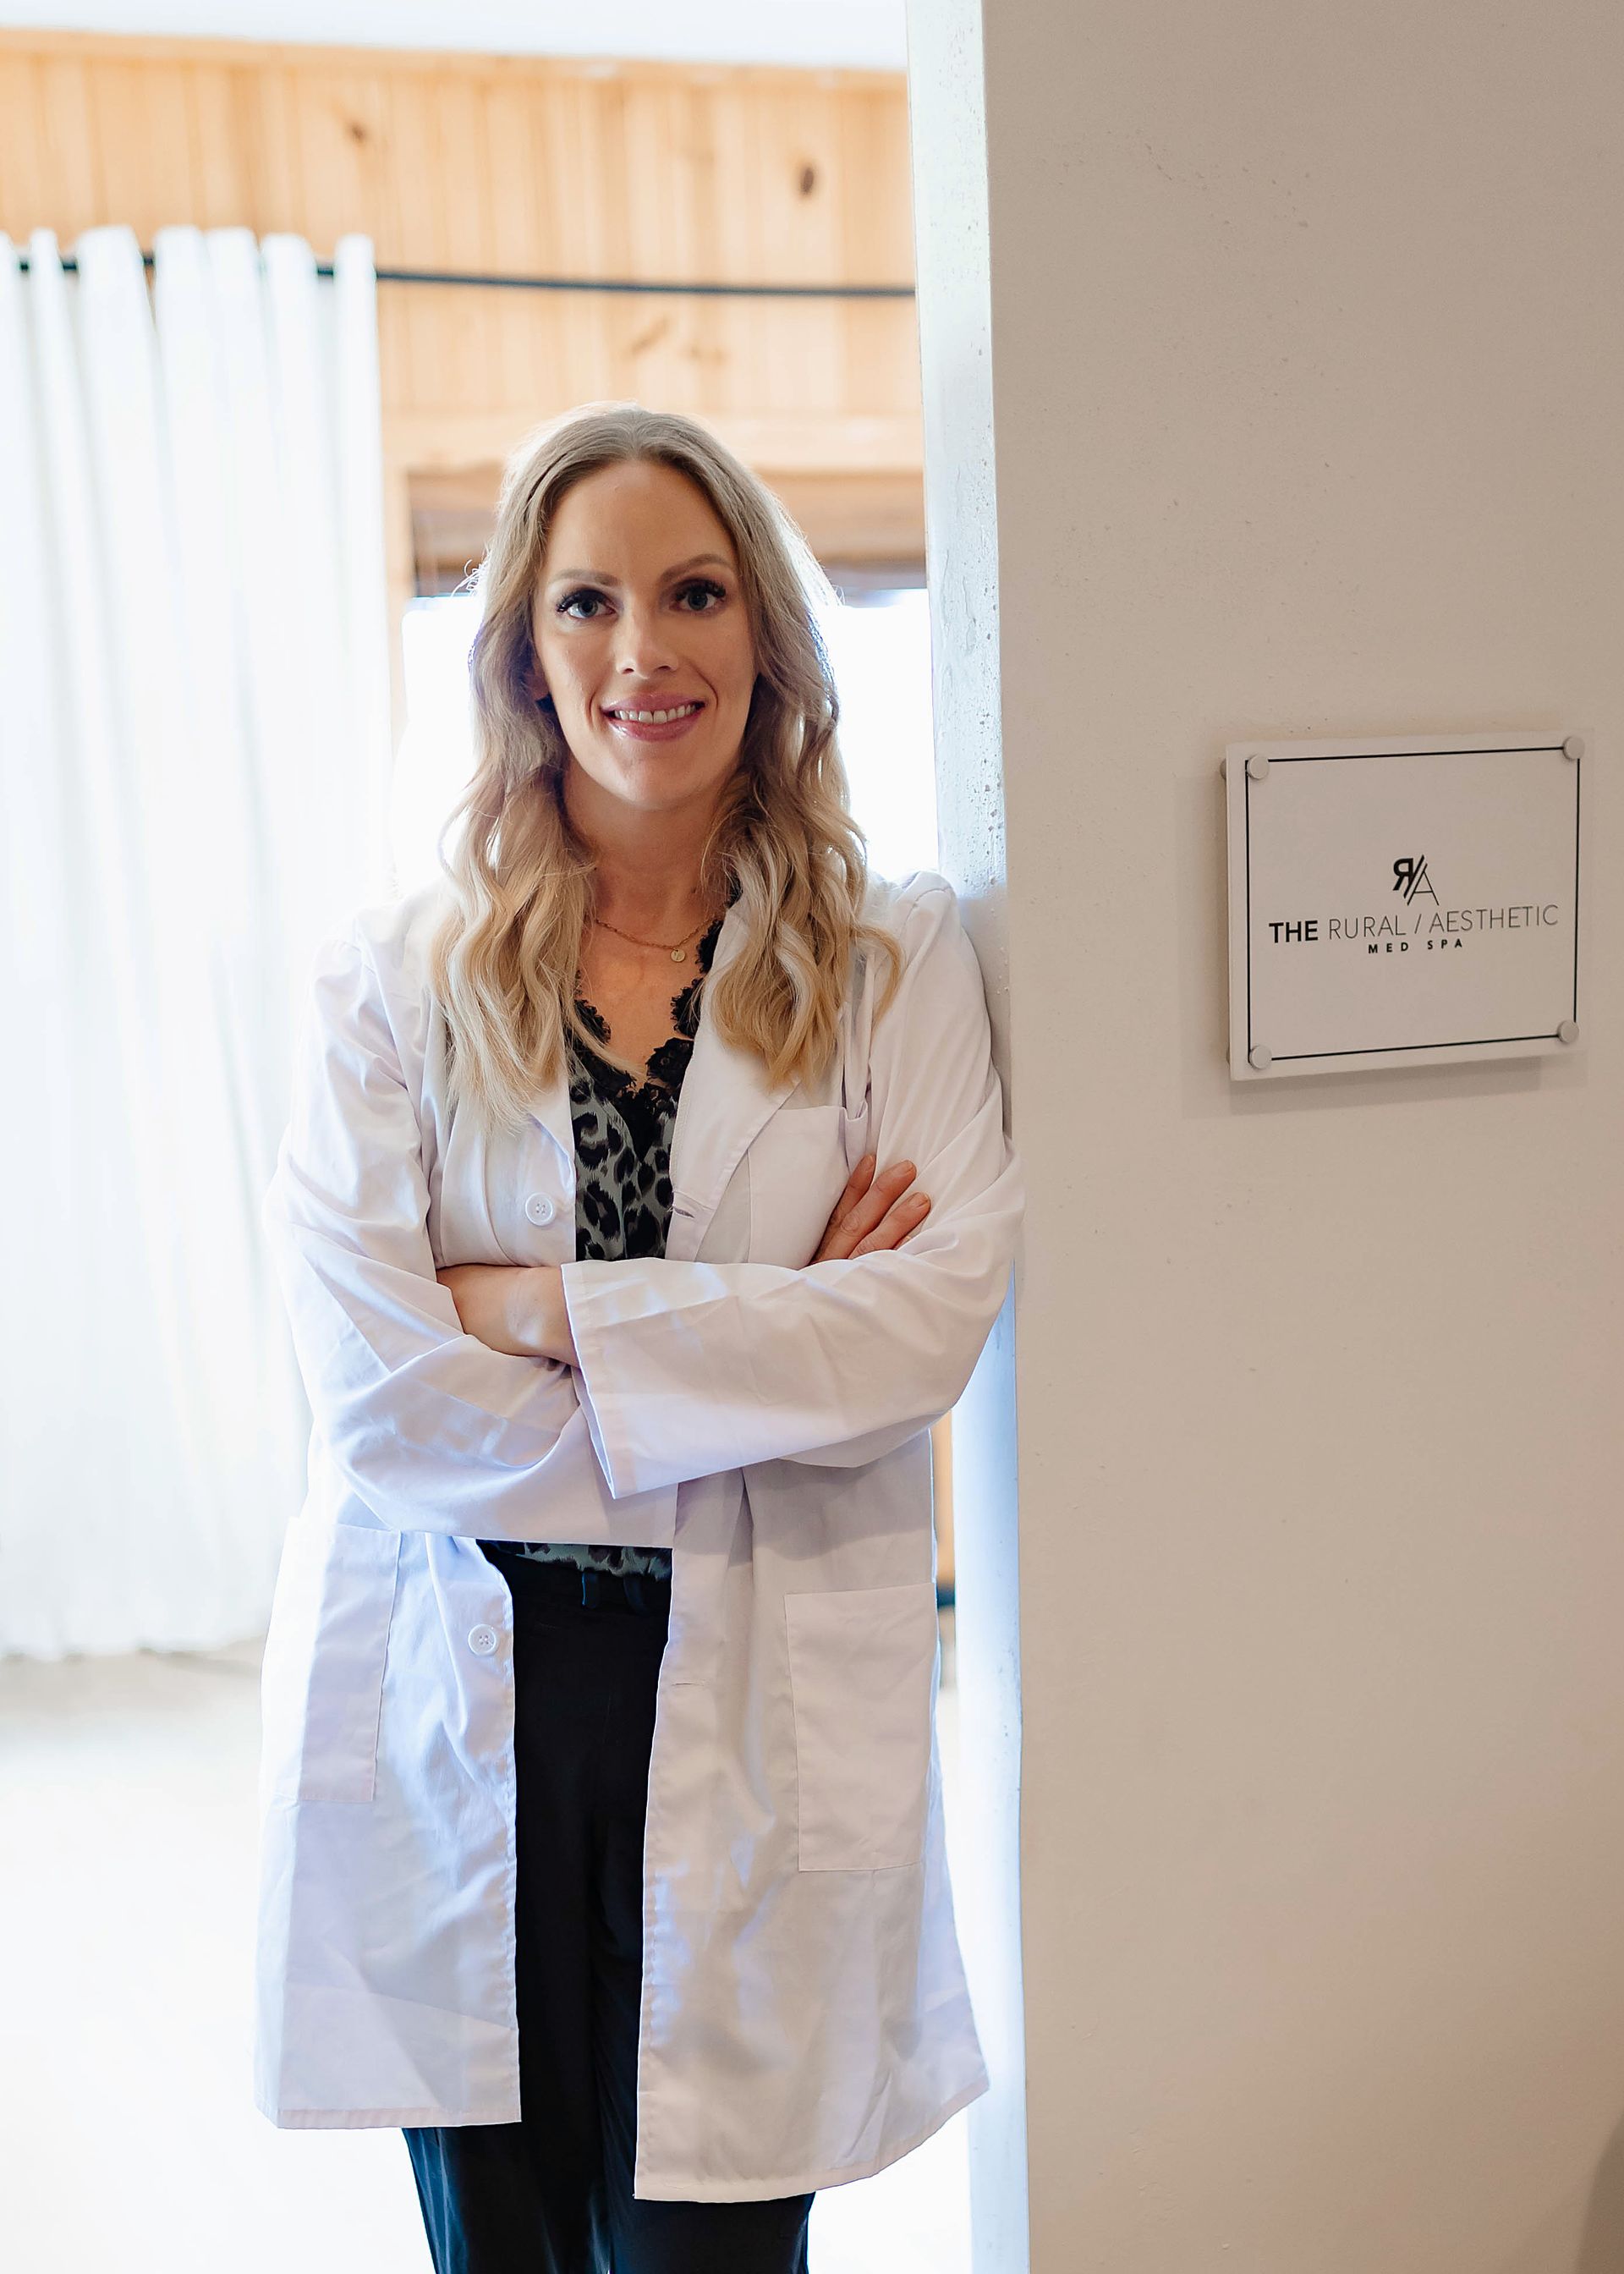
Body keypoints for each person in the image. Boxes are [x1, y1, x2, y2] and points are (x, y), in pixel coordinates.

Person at [254, 401, 1024, 2274]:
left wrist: (526, 1314)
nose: (642, 651)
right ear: (523, 646)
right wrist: (760, 1354)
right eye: (585, 602)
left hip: (758, 1700)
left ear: (765, 634)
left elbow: (917, 1336)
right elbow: (379, 1406)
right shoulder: (392, 979)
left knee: (718, 2256)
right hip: (468, 1712)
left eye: (693, 594)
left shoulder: (891, 959)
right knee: (500, 2254)